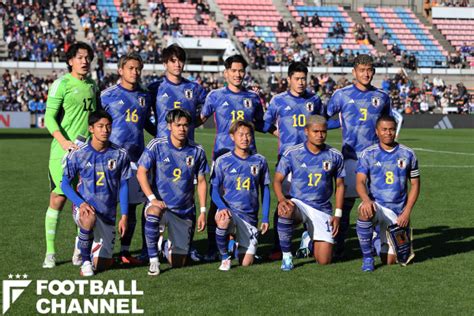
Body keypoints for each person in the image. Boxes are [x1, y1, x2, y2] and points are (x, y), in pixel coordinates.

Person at [200, 54, 265, 261]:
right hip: (222, 156)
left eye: (241, 71)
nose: (238, 74)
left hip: (248, 157)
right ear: (226, 72)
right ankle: (213, 246)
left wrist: (279, 130)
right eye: (234, 70)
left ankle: (245, 239)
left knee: (248, 196)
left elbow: (261, 123)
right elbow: (199, 119)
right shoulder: (215, 96)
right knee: (216, 201)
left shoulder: (253, 97)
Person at [326, 54, 391, 259]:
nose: (366, 74)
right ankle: (338, 243)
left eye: (370, 70)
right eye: (362, 70)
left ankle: (376, 243)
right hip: (350, 159)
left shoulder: (382, 96)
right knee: (345, 205)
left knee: (375, 202)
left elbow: (386, 123)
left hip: (375, 161)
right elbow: (322, 120)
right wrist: (341, 123)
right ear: (354, 72)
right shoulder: (341, 95)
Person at [42, 42, 100, 268]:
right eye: (80, 57)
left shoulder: (93, 86)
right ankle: (50, 252)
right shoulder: (61, 84)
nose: (85, 61)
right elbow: (48, 118)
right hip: (62, 153)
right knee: (58, 198)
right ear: (70, 61)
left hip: (87, 154)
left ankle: (80, 249)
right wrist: (64, 142)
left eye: (88, 58)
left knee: (84, 201)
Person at [263, 62, 324, 260]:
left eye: (303, 79)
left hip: (312, 159)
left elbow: (321, 123)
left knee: (310, 199)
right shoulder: (278, 100)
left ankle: (310, 239)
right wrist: (278, 133)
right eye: (297, 79)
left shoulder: (314, 100)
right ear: (289, 79)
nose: (300, 82)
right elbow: (265, 124)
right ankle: (279, 246)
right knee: (284, 201)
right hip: (288, 161)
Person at [137, 108, 209, 276]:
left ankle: (164, 245)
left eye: (185, 125)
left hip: (184, 211)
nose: (182, 129)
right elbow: (141, 172)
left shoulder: (197, 150)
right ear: (169, 126)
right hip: (161, 206)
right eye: (178, 125)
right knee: (153, 212)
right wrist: (152, 199)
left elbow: (202, 182)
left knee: (178, 263)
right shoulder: (157, 145)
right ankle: (153, 260)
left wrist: (203, 211)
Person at [61, 110, 132, 276]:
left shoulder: (120, 154)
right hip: (85, 208)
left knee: (103, 265)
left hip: (108, 213)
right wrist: (81, 203)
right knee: (88, 217)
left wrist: (125, 215)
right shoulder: (78, 153)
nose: (105, 130)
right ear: (91, 129)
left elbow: (123, 185)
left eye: (108, 126)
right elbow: (64, 184)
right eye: (100, 126)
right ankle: (85, 262)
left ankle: (82, 242)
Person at [101, 53, 155, 265]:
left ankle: (124, 251)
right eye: (130, 68)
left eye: (138, 68)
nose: (135, 72)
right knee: (104, 205)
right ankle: (99, 249)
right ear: (120, 70)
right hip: (109, 159)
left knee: (131, 207)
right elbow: (96, 124)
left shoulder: (144, 95)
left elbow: (146, 124)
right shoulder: (107, 95)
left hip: (135, 160)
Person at [274, 115, 345, 271]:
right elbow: (277, 180)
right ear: (306, 131)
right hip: (299, 204)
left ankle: (309, 239)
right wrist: (281, 199)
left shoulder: (335, 155)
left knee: (324, 261)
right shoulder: (292, 153)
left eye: (323, 132)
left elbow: (340, 186)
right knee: (285, 210)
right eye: (315, 131)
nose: (320, 135)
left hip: (322, 208)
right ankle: (287, 256)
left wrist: (337, 215)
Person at [355, 115, 420, 271]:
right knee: (364, 211)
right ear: (377, 131)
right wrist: (366, 200)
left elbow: (415, 185)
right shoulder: (368, 154)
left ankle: (378, 239)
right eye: (384, 129)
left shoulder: (408, 154)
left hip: (398, 213)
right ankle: (368, 258)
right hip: (377, 207)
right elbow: (360, 182)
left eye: (391, 129)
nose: (388, 133)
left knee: (392, 261)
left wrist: (407, 212)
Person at [211, 120, 270, 270]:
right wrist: (222, 207)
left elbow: (266, 190)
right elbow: (214, 190)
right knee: (223, 220)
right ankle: (225, 257)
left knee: (246, 263)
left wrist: (264, 217)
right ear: (232, 137)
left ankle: (234, 245)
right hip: (230, 211)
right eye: (241, 135)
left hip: (249, 216)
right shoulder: (222, 161)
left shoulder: (260, 161)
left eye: (248, 135)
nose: (245, 138)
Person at [148, 44, 207, 141]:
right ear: (165, 64)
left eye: (181, 60)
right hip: (162, 147)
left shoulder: (195, 88)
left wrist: (193, 124)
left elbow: (208, 108)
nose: (178, 64)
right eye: (173, 61)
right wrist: (156, 131)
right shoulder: (155, 88)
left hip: (187, 146)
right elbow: (144, 116)